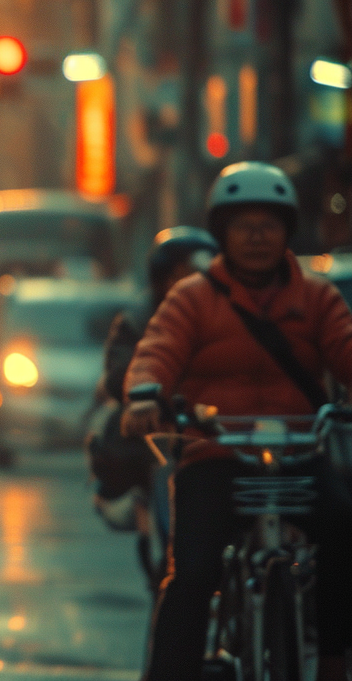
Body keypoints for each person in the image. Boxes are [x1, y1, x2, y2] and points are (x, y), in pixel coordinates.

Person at [123, 162, 352, 681]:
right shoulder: (192, 299)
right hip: (215, 457)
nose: (256, 237)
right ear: (222, 234)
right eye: (243, 226)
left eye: (267, 226)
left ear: (287, 233)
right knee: (193, 573)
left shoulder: (317, 298)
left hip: (298, 456)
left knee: (342, 529)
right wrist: (145, 396)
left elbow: (345, 349)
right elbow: (157, 352)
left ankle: (335, 658)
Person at [90, 227, 218, 507]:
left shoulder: (225, 313)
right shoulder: (139, 319)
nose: (195, 283)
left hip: (214, 428)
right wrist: (150, 396)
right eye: (184, 274)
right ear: (164, 279)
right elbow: (121, 371)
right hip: (163, 428)